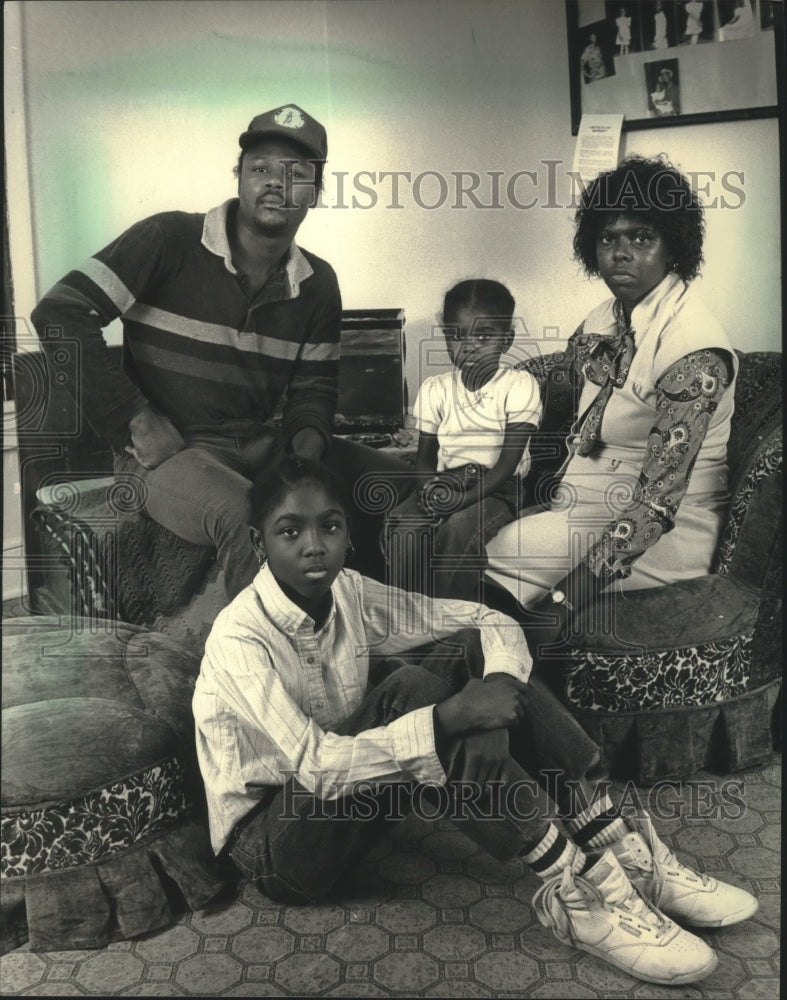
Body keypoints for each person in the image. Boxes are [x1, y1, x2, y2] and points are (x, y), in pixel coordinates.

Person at [192, 455, 757, 987]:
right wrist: (451, 715)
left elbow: (487, 620)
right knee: (413, 693)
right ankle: (579, 892)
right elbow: (318, 768)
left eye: (330, 526)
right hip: (278, 849)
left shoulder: (349, 591)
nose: (314, 547)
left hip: (352, 800)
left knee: (468, 650)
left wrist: (492, 701)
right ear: (257, 542)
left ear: (348, 531)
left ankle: (616, 843)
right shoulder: (241, 636)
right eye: (290, 531)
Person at [30, 103, 407, 600]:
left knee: (403, 479)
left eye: (296, 173)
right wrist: (135, 418)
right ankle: (266, 669)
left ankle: (397, 628)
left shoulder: (319, 283)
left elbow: (314, 391)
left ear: (317, 191)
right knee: (254, 519)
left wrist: (302, 464)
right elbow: (58, 314)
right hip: (172, 454)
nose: (275, 182)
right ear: (239, 177)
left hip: (261, 443)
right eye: (260, 168)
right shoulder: (168, 238)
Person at [484, 154, 736, 653]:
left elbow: (655, 508)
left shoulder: (695, 352)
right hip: (585, 507)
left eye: (641, 237)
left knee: (486, 568)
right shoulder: (607, 315)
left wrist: (562, 603)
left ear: (673, 247)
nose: (621, 253)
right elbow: (558, 390)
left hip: (663, 535)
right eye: (607, 238)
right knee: (465, 548)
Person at [384, 279, 541, 601]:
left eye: (484, 336)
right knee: (405, 528)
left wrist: (461, 503)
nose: (469, 346)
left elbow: (506, 466)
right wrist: (430, 491)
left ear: (506, 340)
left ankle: (450, 624)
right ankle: (404, 619)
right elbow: (426, 456)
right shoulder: (436, 388)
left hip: (497, 489)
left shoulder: (519, 386)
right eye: (457, 335)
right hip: (446, 482)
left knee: (457, 530)